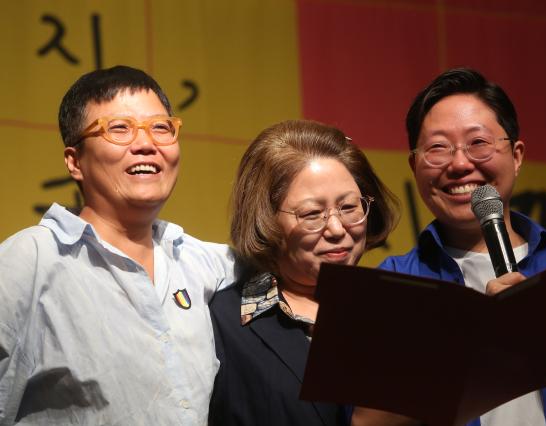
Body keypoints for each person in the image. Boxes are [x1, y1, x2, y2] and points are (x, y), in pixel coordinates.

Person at [379, 68, 546, 425]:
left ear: (516, 156)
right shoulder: (391, 288)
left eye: (478, 143)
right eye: (438, 148)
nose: (459, 163)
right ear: (414, 165)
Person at [0, 65, 237, 425]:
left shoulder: (204, 262)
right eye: (119, 129)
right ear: (74, 161)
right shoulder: (31, 260)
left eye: (161, 128)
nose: (146, 144)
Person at [209, 119, 406, 425]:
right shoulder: (221, 323)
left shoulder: (400, 311)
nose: (338, 229)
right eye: (312, 214)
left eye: (350, 207)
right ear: (267, 220)